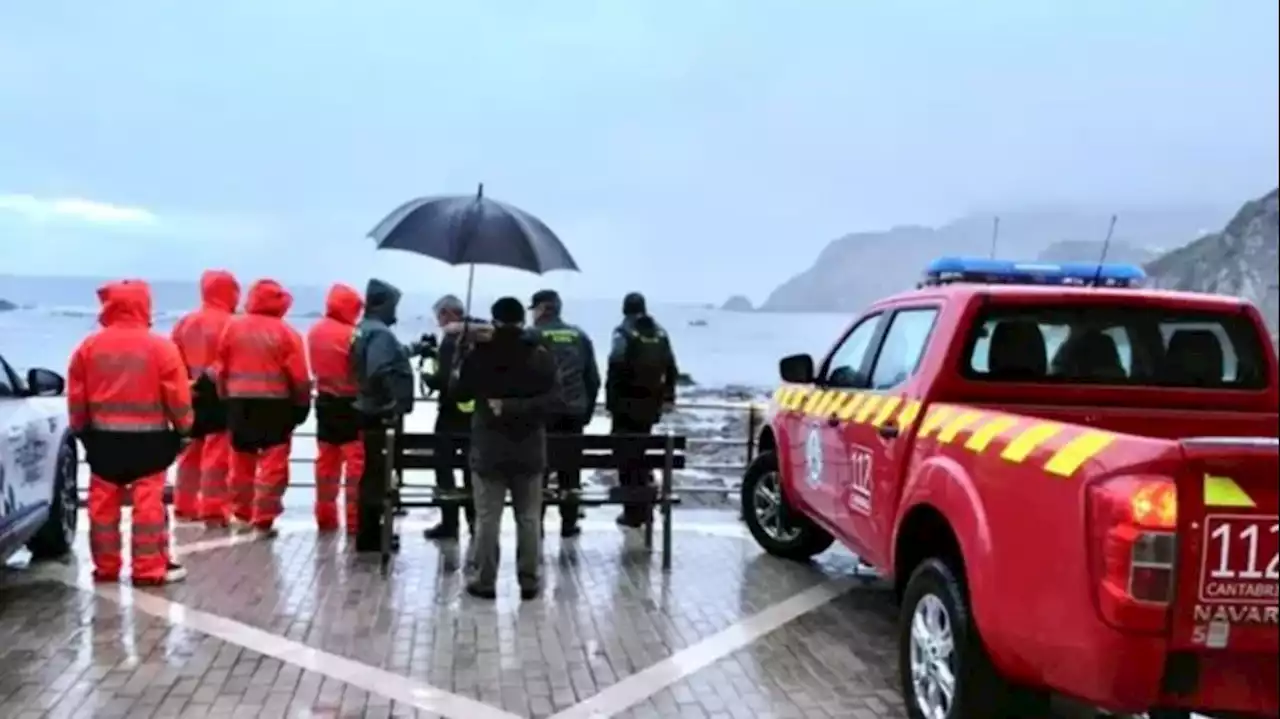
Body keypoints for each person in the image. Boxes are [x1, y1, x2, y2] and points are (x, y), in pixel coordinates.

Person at [68, 280, 193, 585]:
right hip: (150, 442)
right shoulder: (162, 348)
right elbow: (177, 398)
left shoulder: (88, 347)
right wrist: (185, 429)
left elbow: (76, 397)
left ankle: (106, 567)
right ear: (143, 305)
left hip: (104, 441)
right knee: (148, 505)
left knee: (102, 506)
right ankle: (149, 569)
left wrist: (82, 429)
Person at [454, 296, 562, 600]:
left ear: (495, 320)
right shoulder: (540, 355)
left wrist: (461, 357)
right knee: (528, 517)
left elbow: (460, 395)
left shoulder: (479, 356)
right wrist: (520, 407)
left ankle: (484, 579)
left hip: (489, 450)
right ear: (522, 321)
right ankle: (529, 580)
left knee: (488, 517)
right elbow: (555, 401)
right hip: (529, 451)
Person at [216, 279, 312, 535]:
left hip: (238, 403)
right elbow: (300, 378)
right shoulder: (287, 334)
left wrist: (224, 397)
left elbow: (220, 369)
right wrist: (302, 404)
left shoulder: (232, 329)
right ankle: (264, 518)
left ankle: (241, 513)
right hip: (275, 405)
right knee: (273, 464)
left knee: (240, 461)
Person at [351, 279, 417, 553]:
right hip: (379, 414)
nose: (396, 313)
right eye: (393, 306)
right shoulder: (380, 334)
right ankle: (371, 536)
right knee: (377, 476)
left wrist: (410, 351)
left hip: (366, 408)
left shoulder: (364, 330)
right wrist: (393, 401)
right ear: (382, 304)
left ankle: (369, 532)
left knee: (372, 475)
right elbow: (378, 369)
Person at [170, 269, 240, 526]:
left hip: (189, 392)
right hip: (220, 394)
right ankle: (213, 508)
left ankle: (184, 504)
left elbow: (172, 359)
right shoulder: (232, 324)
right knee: (217, 454)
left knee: (190, 452)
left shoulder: (185, 322)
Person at [527, 289, 600, 538]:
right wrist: (586, 411)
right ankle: (569, 523)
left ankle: (537, 523)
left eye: (534, 310)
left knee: (540, 470)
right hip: (573, 414)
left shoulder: (534, 336)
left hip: (543, 414)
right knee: (571, 470)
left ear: (541, 309)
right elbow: (593, 379)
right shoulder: (579, 336)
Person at [606, 291, 679, 528]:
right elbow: (671, 368)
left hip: (624, 408)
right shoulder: (660, 333)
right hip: (650, 408)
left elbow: (614, 368)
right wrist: (668, 397)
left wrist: (611, 403)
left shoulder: (622, 333)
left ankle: (632, 512)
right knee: (642, 454)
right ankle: (645, 507)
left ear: (624, 309)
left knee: (625, 459)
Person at [420, 294, 484, 540]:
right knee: (472, 471)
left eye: (440, 317)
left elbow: (442, 380)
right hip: (477, 418)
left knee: (444, 468)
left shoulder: (450, 341)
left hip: (450, 416)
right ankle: (475, 523)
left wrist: (427, 369)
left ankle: (450, 524)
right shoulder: (480, 336)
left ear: (448, 313)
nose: (438, 322)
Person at [305, 283, 365, 534]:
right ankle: (354, 520)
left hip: (325, 402)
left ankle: (325, 517)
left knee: (326, 466)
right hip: (350, 405)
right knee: (355, 466)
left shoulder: (314, 332)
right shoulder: (352, 334)